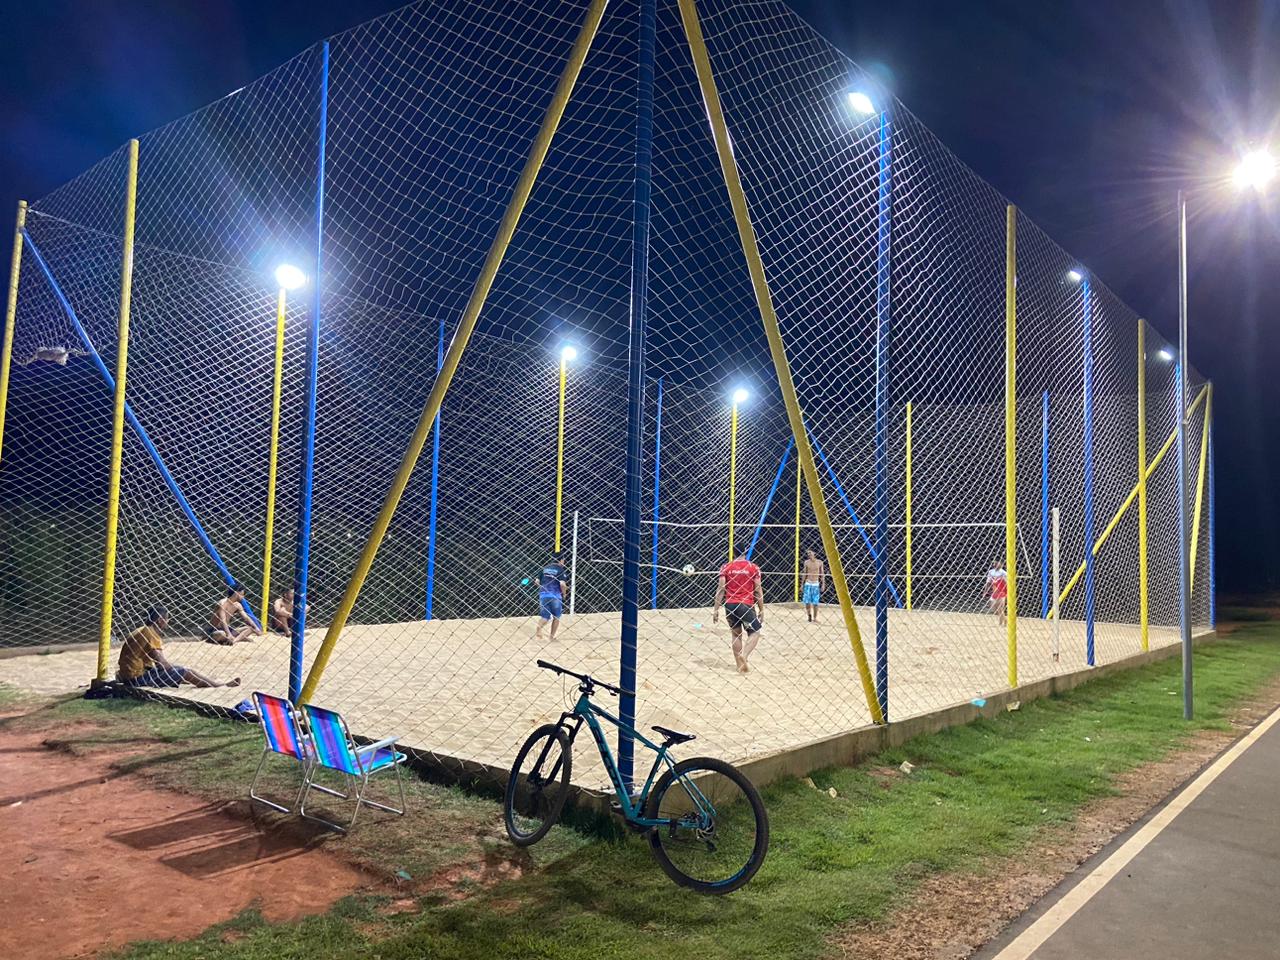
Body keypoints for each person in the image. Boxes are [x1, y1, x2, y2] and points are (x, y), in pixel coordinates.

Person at [117, 606, 240, 689]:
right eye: (167, 619)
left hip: (128, 675)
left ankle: (208, 681)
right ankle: (218, 686)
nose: (168, 621)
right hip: (136, 679)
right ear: (160, 620)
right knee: (184, 671)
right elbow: (163, 664)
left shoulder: (142, 630)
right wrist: (177, 669)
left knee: (183, 672)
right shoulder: (151, 634)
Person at [714, 550, 765, 673]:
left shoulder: (726, 567)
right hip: (745, 605)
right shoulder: (753, 567)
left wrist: (716, 609)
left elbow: (721, 589)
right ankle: (744, 656)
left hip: (730, 605)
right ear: (745, 553)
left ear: (733, 553)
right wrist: (761, 609)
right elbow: (758, 590)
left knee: (736, 634)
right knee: (755, 632)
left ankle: (739, 666)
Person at [533, 552, 569, 642]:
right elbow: (562, 584)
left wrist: (543, 588)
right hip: (555, 596)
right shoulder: (560, 570)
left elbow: (536, 582)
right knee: (556, 617)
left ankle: (539, 627)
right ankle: (551, 637)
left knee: (545, 617)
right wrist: (564, 594)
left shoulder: (544, 568)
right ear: (561, 560)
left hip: (543, 595)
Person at [802, 548, 826, 623]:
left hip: (815, 584)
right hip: (808, 583)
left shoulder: (820, 562)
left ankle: (815, 618)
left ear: (814, 553)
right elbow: (804, 573)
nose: (809, 554)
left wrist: (823, 584)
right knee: (807, 601)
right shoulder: (806, 562)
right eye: (808, 553)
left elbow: (822, 574)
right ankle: (809, 615)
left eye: (810, 553)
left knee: (815, 602)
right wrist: (802, 584)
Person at [985, 560, 1008, 627]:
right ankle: (1004, 620)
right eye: (995, 563)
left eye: (998, 563)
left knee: (1000, 608)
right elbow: (988, 582)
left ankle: (1002, 622)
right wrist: (985, 590)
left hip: (1001, 591)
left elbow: (1007, 582)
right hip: (994, 592)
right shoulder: (991, 572)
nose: (996, 564)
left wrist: (1006, 591)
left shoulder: (1003, 573)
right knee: (994, 608)